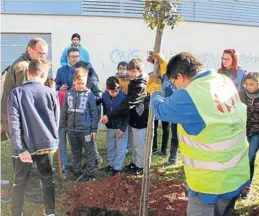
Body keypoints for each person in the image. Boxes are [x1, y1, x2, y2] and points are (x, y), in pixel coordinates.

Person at [147, 52, 250, 216]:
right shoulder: (223, 80)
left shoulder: (190, 95)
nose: (174, 87)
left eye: (174, 83)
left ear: (180, 76)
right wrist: (166, 68)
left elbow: (161, 110)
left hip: (209, 183)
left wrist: (155, 89)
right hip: (236, 173)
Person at [8, 59, 59, 216]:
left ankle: (17, 213)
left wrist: (20, 148)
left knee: (20, 181)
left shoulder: (16, 93)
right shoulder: (51, 93)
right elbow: (56, 120)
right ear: (44, 74)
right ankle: (50, 213)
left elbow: (14, 124)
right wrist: (53, 141)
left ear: (28, 73)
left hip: (24, 146)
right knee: (47, 180)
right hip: (47, 144)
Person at [1, 37, 49, 204]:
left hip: (16, 120)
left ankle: (23, 187)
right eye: (40, 53)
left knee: (21, 154)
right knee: (28, 156)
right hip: (19, 121)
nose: (43, 57)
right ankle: (32, 193)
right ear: (30, 50)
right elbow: (26, 98)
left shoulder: (28, 64)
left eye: (45, 54)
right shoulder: (23, 67)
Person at [100, 58, 150, 175]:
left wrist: (109, 115)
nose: (130, 73)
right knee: (133, 143)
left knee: (139, 144)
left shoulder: (140, 86)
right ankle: (134, 162)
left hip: (140, 120)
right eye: (129, 70)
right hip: (133, 119)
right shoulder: (134, 81)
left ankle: (140, 166)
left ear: (139, 70)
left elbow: (128, 104)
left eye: (133, 71)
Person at [60, 69, 98, 181]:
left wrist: (94, 129)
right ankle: (77, 171)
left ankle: (90, 173)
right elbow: (64, 110)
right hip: (72, 130)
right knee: (75, 151)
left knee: (89, 151)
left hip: (85, 130)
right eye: (79, 83)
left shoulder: (89, 94)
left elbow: (94, 112)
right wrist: (61, 124)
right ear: (74, 82)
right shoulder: (68, 94)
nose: (81, 86)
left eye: (83, 83)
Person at [74, 61, 103, 167]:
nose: (76, 73)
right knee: (85, 138)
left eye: (78, 71)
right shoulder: (81, 78)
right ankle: (92, 158)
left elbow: (99, 97)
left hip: (91, 115)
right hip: (83, 113)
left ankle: (96, 159)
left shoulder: (93, 80)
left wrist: (87, 96)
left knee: (90, 138)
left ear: (85, 71)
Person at [101, 76, 129, 175]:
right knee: (111, 146)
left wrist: (123, 129)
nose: (114, 94)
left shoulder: (124, 97)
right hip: (110, 127)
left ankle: (117, 168)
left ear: (119, 88)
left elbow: (127, 115)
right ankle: (111, 165)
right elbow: (105, 108)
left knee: (121, 148)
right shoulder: (104, 96)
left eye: (116, 91)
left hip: (120, 127)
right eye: (112, 92)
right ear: (107, 89)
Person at [240, 72, 259, 198]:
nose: (249, 87)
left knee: (250, 156)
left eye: (252, 84)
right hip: (244, 130)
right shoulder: (241, 95)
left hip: (257, 131)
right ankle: (246, 186)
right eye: (246, 84)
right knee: (246, 159)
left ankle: (248, 185)